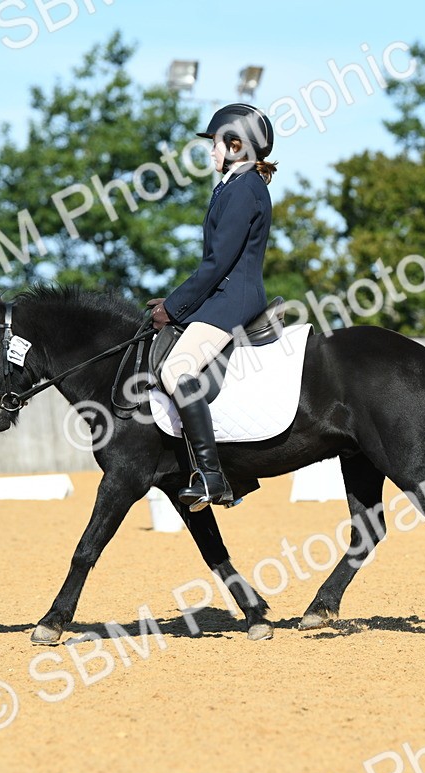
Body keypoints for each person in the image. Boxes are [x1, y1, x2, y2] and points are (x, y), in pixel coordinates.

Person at [147, 103, 277, 512]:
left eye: (216, 143)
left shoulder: (243, 190)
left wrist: (174, 306)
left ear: (237, 146)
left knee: (176, 369)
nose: (210, 151)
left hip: (233, 299)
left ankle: (212, 476)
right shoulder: (234, 185)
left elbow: (218, 261)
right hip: (225, 294)